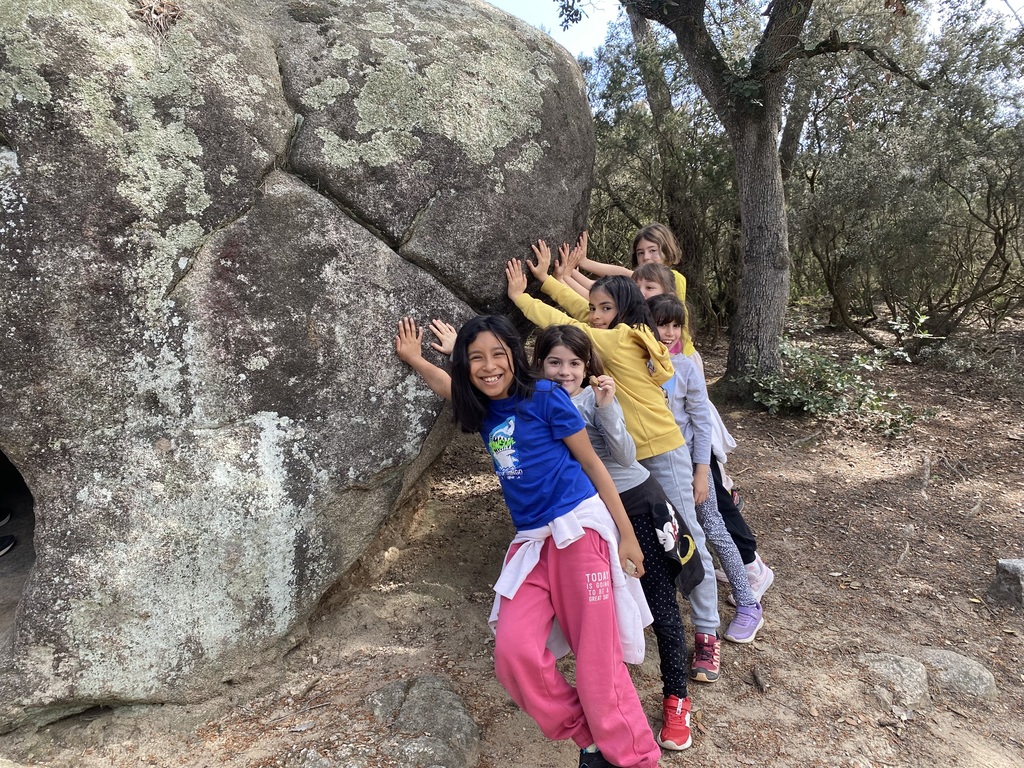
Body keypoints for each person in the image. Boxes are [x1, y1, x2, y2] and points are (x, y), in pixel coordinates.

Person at [394, 315, 661, 768]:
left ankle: (635, 759)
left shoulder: (546, 397)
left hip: (579, 530)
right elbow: (447, 385)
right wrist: (416, 358)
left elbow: (594, 465)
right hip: (533, 543)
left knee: (597, 661)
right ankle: (588, 738)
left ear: (515, 356)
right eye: (477, 358)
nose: (489, 366)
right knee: (514, 653)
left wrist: (627, 537)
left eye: (498, 355)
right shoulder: (481, 406)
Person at [507, 249, 724, 684]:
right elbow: (580, 312)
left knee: (688, 537)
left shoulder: (621, 338)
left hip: (659, 449)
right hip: (628, 454)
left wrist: (524, 295)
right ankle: (650, 616)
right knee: (653, 542)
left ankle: (706, 631)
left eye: (605, 309)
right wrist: (554, 279)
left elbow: (563, 322)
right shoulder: (625, 335)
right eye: (595, 309)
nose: (596, 315)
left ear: (623, 310)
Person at [532, 324, 699, 750]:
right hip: (589, 516)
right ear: (539, 365)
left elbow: (625, 456)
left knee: (660, 602)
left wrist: (606, 406)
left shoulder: (595, 397)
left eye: (574, 363)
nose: (565, 371)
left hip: (635, 506)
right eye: (555, 362)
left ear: (587, 365)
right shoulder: (536, 401)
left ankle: (677, 697)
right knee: (603, 609)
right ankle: (608, 702)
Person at [648, 295, 764, 643]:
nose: (669, 333)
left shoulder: (685, 367)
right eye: (661, 325)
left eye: (676, 325)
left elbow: (701, 423)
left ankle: (748, 603)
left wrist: (702, 472)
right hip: (654, 462)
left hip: (691, 462)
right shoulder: (636, 366)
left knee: (711, 524)